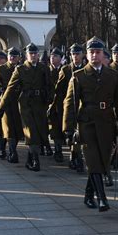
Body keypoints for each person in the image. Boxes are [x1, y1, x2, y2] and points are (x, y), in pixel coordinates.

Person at [63, 37, 118, 211]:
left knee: (102, 161)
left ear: (103, 54)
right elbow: (70, 104)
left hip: (106, 123)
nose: (94, 55)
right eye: (91, 52)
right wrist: (68, 129)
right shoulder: (79, 76)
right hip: (87, 123)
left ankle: (88, 195)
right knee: (92, 160)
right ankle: (102, 199)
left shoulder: (112, 76)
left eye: (97, 52)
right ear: (86, 55)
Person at [0, 43, 53, 171]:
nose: (33, 56)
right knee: (31, 132)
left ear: (38, 55)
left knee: (39, 132)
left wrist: (50, 99)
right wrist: (1, 108)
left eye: (35, 53)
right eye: (30, 54)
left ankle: (29, 159)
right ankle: (35, 161)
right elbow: (10, 89)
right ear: (26, 55)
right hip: (26, 105)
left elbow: (50, 86)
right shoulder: (20, 70)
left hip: (40, 104)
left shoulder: (43, 68)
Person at [51, 43, 85, 172]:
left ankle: (77, 156)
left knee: (80, 132)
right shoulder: (65, 70)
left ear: (82, 54)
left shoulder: (85, 69)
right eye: (73, 54)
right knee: (71, 133)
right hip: (68, 106)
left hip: (82, 106)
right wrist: (55, 106)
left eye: (77, 53)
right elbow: (58, 91)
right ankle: (74, 156)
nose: (75, 56)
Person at [48, 47, 65, 163]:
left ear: (61, 58)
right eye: (51, 56)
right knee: (54, 128)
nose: (53, 58)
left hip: (63, 104)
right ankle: (57, 150)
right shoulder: (46, 71)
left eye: (56, 56)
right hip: (50, 104)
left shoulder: (65, 70)